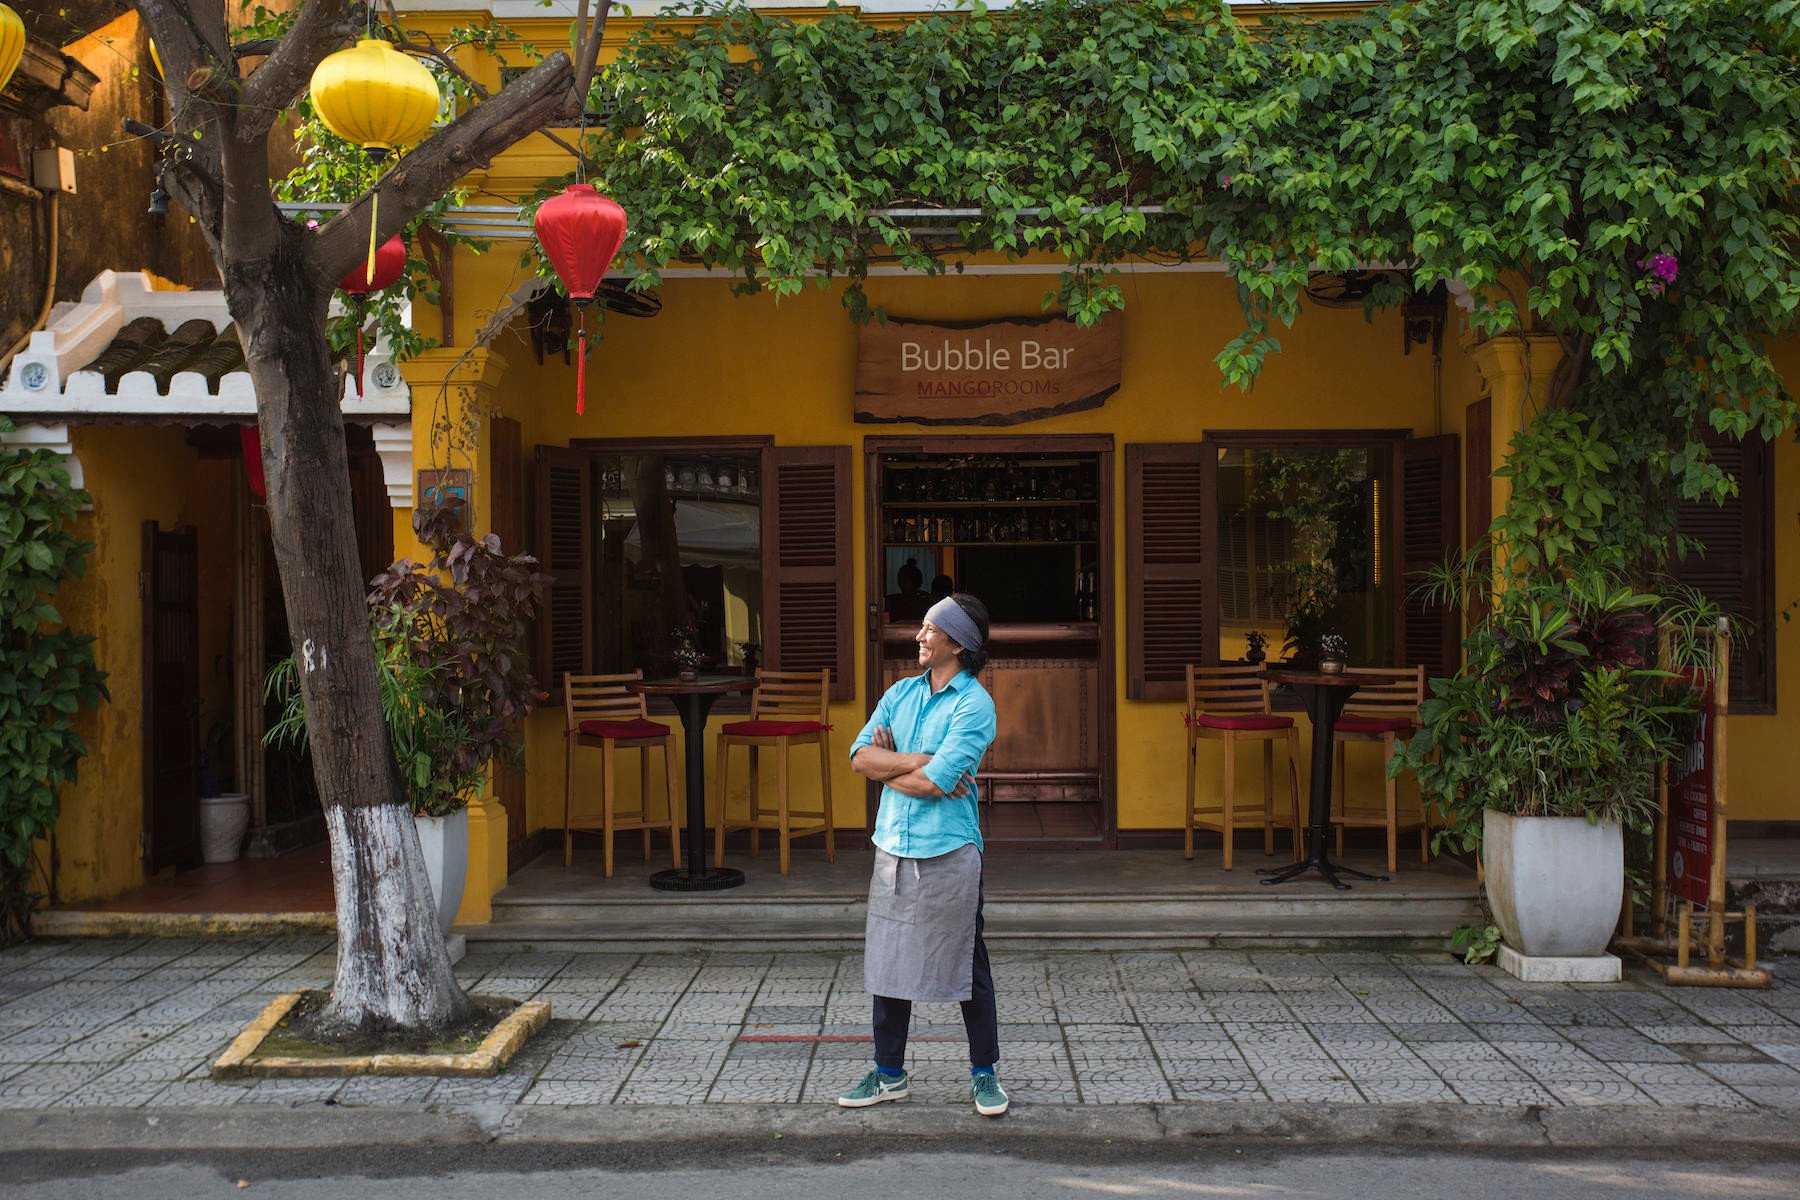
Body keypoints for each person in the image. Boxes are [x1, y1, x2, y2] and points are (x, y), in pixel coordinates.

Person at [839, 592, 1005, 1117]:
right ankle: (889, 1074)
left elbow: (938, 785)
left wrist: (900, 767)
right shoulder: (899, 693)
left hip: (950, 849)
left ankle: (984, 1074)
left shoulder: (974, 705)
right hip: (892, 843)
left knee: (966, 963)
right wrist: (916, 759)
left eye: (930, 629)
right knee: (889, 964)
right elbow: (859, 758)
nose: (918, 636)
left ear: (956, 641)